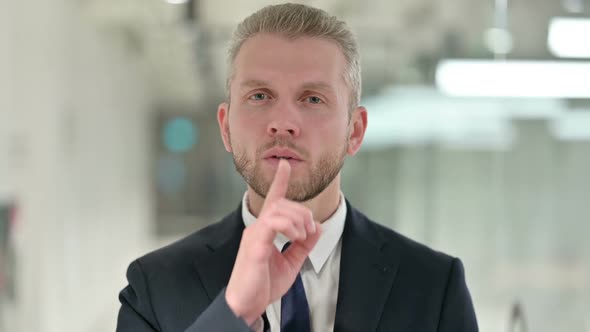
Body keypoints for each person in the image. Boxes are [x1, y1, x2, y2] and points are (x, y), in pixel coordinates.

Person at [116, 3, 478, 332]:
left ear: (355, 132)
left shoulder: (434, 288)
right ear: (225, 127)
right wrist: (233, 315)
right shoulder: (153, 288)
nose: (283, 122)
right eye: (260, 96)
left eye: (312, 99)